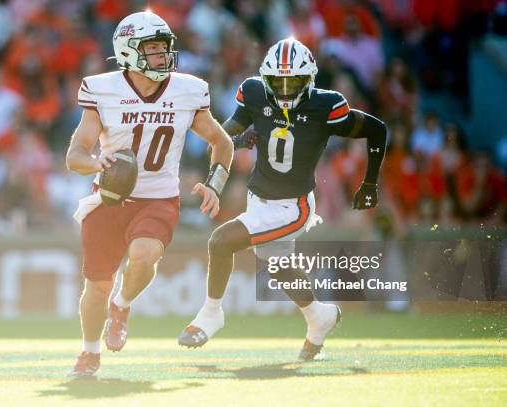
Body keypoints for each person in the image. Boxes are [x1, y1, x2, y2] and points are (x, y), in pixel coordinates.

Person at [178, 38, 387, 360]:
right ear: (266, 79)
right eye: (279, 81)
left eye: (294, 82)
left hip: (294, 206)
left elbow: (377, 130)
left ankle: (211, 313)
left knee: (220, 241)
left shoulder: (325, 105)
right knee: (278, 267)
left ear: (310, 80)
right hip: (258, 198)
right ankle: (319, 317)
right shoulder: (254, 92)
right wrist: (238, 139)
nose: (287, 90)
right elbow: (218, 141)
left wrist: (370, 182)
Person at [66, 11, 234, 378]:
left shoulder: (187, 89)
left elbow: (222, 142)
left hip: (158, 196)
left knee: (144, 254)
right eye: (153, 49)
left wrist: (215, 183)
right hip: (109, 196)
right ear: (128, 51)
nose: (162, 56)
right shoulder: (102, 88)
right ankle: (89, 352)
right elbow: (74, 155)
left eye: (164, 48)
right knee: (96, 285)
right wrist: (98, 162)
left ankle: (123, 306)